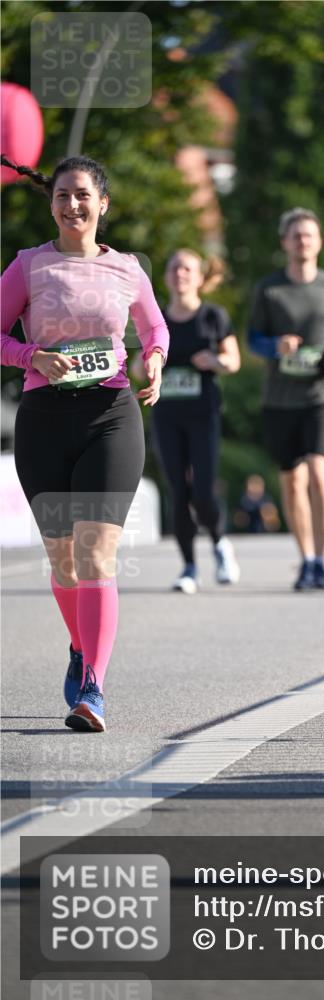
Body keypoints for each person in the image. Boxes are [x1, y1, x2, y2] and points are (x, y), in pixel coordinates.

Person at [0, 154, 168, 732]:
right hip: (45, 417)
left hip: (110, 415)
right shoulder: (28, 266)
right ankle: (80, 645)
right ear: (52, 204)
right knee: (63, 560)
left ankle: (93, 687)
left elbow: (154, 325)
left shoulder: (126, 268)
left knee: (98, 554)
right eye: (63, 195)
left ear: (103, 205)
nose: (72, 205)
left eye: (83, 196)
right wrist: (31, 356)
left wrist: (155, 358)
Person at [247, 207, 324, 590]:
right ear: (285, 242)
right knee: (292, 482)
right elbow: (252, 339)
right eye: (296, 236)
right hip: (280, 398)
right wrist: (274, 345)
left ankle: (323, 560)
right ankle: (306, 557)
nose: (303, 241)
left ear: (319, 242)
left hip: (322, 395)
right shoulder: (269, 289)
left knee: (318, 472)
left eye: (309, 235)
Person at [132, 249, 241, 594]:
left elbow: (233, 360)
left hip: (203, 414)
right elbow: (136, 366)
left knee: (204, 491)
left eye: (187, 269)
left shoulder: (213, 316)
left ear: (199, 277)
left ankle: (220, 543)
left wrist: (215, 360)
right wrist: (149, 366)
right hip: (167, 415)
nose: (180, 274)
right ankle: (189, 567)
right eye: (174, 267)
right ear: (165, 277)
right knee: (178, 490)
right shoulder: (157, 319)